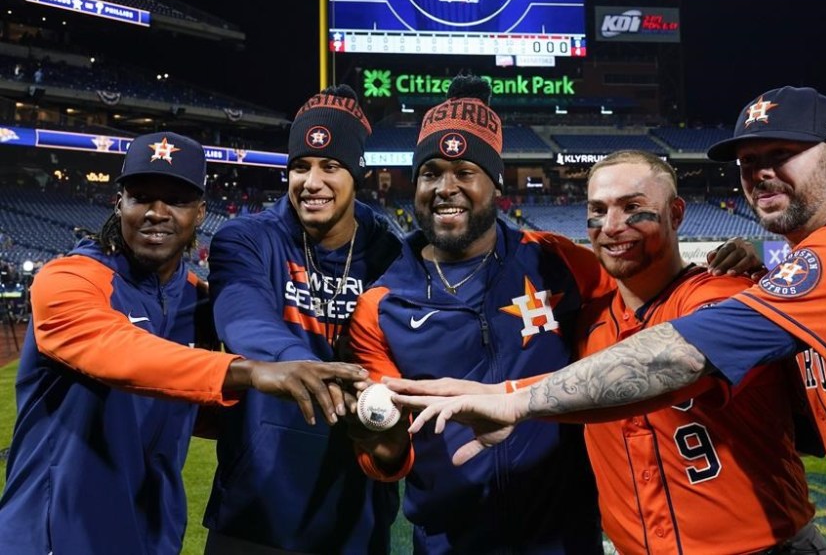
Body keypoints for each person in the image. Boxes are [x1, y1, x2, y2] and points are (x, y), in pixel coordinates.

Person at [403, 86, 826, 555]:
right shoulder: (779, 277)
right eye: (748, 161)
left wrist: (512, 399)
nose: (760, 172)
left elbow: (688, 352)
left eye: (782, 154)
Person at [390, 149, 825, 555]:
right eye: (597, 211)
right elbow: (576, 380)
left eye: (632, 207)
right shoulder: (590, 318)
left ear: (676, 214)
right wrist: (492, 394)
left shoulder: (725, 296)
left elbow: (654, 366)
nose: (612, 225)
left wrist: (511, 399)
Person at [0, 132, 369, 555]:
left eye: (176, 200)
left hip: (151, 538)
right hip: (53, 536)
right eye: (141, 197)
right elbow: (118, 350)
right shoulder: (69, 279)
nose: (157, 212)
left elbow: (190, 404)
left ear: (200, 213)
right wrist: (249, 371)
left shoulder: (198, 301)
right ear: (119, 203)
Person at [347, 75, 614, 554]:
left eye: (464, 172)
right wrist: (377, 444)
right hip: (452, 542)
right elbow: (389, 458)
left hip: (565, 535)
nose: (445, 188)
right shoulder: (381, 305)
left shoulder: (555, 260)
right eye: (431, 174)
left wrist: (727, 263)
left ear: (494, 183)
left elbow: (643, 303)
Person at [202, 86, 403, 554]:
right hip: (256, 509)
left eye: (330, 166)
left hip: (357, 510)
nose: (311, 182)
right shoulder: (247, 238)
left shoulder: (391, 253)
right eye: (300, 166)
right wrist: (298, 365)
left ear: (358, 173)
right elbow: (241, 315)